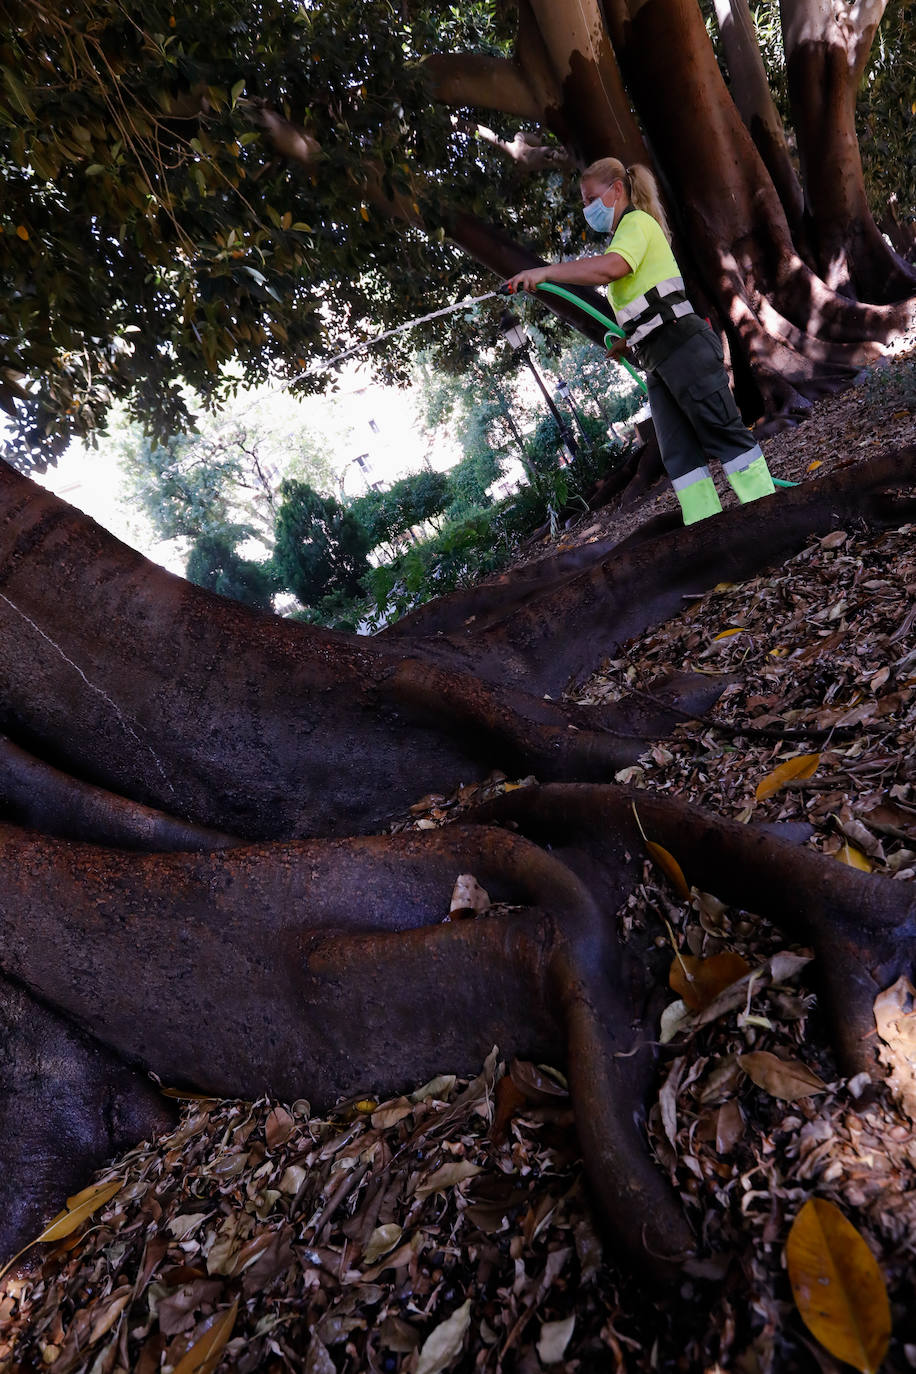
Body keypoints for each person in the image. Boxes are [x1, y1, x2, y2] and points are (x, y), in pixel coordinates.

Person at [504, 157, 776, 526]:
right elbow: (650, 304)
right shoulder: (626, 234)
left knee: (725, 436)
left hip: (683, 348)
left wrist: (546, 271)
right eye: (583, 203)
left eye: (590, 199)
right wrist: (628, 343)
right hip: (658, 360)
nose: (587, 209)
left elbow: (611, 266)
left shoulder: (635, 224)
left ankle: (771, 519)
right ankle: (708, 532)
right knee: (679, 456)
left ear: (617, 189)